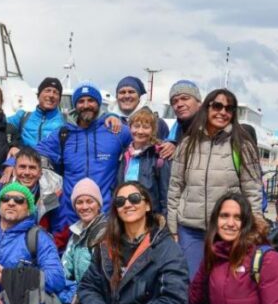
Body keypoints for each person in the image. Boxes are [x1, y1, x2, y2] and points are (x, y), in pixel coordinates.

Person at [166, 88, 263, 304]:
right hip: (190, 228)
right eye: (217, 106)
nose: (222, 112)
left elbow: (252, 189)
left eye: (229, 108)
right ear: (207, 107)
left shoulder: (242, 144)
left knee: (223, 287)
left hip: (227, 230)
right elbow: (175, 187)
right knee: (192, 286)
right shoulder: (187, 143)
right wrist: (173, 227)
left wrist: (255, 224)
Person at [36, 82, 132, 238]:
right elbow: (34, 153)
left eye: (91, 100)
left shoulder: (116, 131)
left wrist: (170, 144)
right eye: (81, 101)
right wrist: (12, 159)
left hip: (106, 214)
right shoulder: (63, 133)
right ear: (75, 105)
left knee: (104, 253)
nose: (86, 105)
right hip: (69, 215)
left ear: (98, 103)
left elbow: (145, 141)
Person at [55, 178, 107, 304]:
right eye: (79, 202)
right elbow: (64, 270)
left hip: (99, 301)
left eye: (89, 201)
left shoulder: (106, 232)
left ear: (98, 204)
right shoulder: (76, 233)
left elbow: (103, 277)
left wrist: (78, 294)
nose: (84, 207)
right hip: (79, 298)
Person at [117, 108, 171, 215]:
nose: (140, 131)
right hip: (127, 211)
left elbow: (165, 191)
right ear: (130, 127)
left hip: (150, 215)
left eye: (146, 127)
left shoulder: (159, 155)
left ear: (153, 130)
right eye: (136, 126)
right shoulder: (124, 154)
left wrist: (164, 216)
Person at [11, 147, 63, 234]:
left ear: (40, 172)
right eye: (22, 167)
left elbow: (59, 229)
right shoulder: (4, 192)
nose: (27, 172)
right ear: (14, 170)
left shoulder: (55, 192)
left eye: (32, 168)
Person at [7, 77, 67, 149]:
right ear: (38, 95)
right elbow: (1, 125)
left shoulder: (66, 121)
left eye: (55, 92)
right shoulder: (23, 117)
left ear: (59, 99)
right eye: (47, 90)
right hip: (25, 155)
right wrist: (12, 145)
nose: (51, 95)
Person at [158, 79, 203, 159]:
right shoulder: (175, 132)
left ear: (199, 102)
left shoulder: (213, 127)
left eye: (185, 98)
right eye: (174, 101)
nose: (179, 104)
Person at [114, 75, 169, 140]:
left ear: (139, 96)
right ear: (116, 96)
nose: (127, 96)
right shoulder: (108, 121)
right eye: (122, 92)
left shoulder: (157, 123)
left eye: (131, 92)